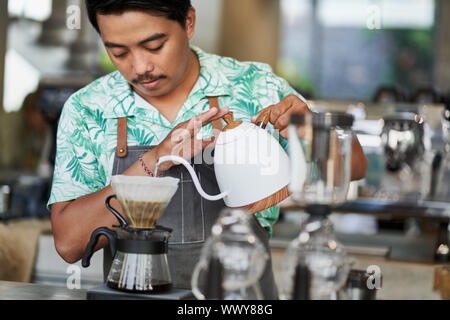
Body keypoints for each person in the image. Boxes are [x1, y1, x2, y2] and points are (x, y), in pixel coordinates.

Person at [48, 0, 368, 297]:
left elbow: (354, 167)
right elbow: (69, 243)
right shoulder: (88, 109)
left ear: (188, 21)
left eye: (154, 46)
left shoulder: (255, 87)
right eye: (118, 52)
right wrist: (154, 161)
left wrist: (310, 127)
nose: (140, 67)